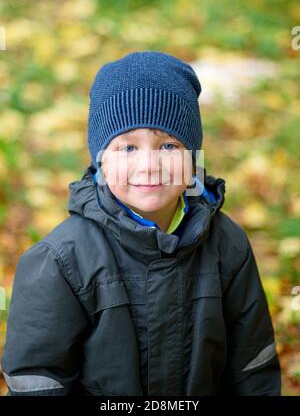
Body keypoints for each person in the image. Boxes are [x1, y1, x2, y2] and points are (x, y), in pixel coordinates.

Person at [1, 51, 281, 396]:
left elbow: (252, 366)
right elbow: (39, 378)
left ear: (193, 158)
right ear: (101, 161)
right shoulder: (60, 261)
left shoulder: (228, 246)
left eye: (168, 145)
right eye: (128, 148)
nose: (149, 165)